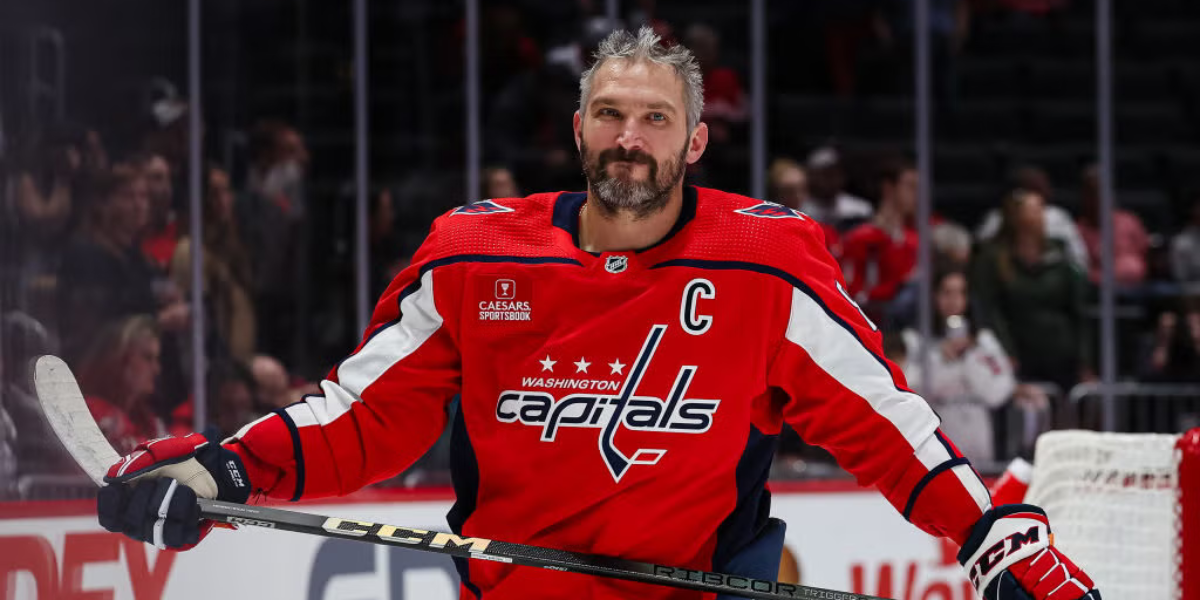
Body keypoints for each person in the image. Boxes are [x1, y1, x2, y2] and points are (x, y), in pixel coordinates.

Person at [96, 28, 1098, 600]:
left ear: (695, 142)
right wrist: (223, 467)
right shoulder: (472, 254)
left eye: (655, 118)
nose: (630, 137)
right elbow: (362, 415)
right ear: (578, 130)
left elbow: (888, 428)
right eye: (611, 115)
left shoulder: (767, 268)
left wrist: (996, 537)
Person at [971, 188, 1093, 394]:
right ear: (1015, 216)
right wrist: (1005, 351)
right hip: (1018, 351)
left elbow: (1078, 309)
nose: (1039, 216)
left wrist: (1085, 359)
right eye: (1032, 210)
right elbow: (989, 308)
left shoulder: (1059, 251)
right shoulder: (994, 257)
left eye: (1040, 209)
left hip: (1060, 352)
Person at [901, 270, 1017, 463]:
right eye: (947, 293)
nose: (953, 301)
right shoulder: (916, 341)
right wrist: (942, 359)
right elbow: (911, 387)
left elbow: (1000, 390)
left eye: (960, 293)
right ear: (934, 296)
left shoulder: (984, 341)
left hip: (978, 424)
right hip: (937, 423)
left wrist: (970, 356)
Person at [840, 157, 919, 322]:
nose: (917, 194)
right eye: (911, 187)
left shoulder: (915, 240)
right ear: (889, 188)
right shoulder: (860, 239)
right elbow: (852, 295)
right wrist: (899, 287)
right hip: (872, 326)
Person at [77, 315, 167, 454]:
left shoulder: (150, 423)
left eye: (156, 359)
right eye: (147, 358)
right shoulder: (91, 415)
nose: (156, 369)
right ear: (120, 358)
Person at [975, 166, 1088, 270]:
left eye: (1037, 211)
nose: (1037, 217)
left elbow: (1078, 260)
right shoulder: (996, 219)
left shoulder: (1057, 217)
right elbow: (981, 257)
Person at [1074, 164, 1148, 287]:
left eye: (1102, 191)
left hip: (1136, 293)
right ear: (1084, 195)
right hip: (1097, 294)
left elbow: (1145, 256)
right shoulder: (1077, 230)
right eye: (1093, 192)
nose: (1098, 197)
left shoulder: (1129, 221)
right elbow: (1080, 271)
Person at [800, 145, 873, 232]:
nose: (830, 181)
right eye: (825, 174)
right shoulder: (800, 212)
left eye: (834, 174)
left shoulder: (860, 209)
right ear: (812, 177)